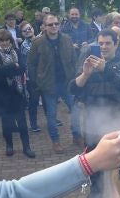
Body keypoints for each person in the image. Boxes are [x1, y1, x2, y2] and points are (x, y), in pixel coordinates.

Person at [69, 28, 120, 198]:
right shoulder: (90, 64)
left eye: (108, 43)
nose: (104, 47)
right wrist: (84, 74)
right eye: (101, 43)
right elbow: (72, 89)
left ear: (117, 44)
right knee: (95, 172)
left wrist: (104, 69)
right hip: (93, 127)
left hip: (118, 126)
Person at [27, 13, 82, 153]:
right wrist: (37, 80)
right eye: (50, 24)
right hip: (49, 84)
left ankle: (76, 135)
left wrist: (75, 75)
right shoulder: (37, 42)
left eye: (56, 24)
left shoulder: (66, 39)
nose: (54, 26)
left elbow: (73, 59)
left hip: (67, 82)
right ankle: (55, 141)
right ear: (44, 27)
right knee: (51, 115)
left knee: (76, 110)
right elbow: (31, 64)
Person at [0, 30, 35, 158]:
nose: (4, 43)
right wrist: (13, 66)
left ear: (10, 40)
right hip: (3, 93)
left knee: (22, 123)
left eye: (6, 40)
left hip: (18, 92)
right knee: (6, 123)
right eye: (1, 41)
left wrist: (5, 67)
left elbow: (22, 68)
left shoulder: (17, 51)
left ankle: (27, 147)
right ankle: (9, 146)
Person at [17, 22, 42, 132]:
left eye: (29, 28)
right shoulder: (24, 46)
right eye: (25, 30)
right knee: (33, 101)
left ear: (33, 28)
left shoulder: (40, 40)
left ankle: (53, 119)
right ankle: (33, 124)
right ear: (22, 34)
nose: (28, 31)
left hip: (43, 75)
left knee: (47, 99)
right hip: (31, 78)